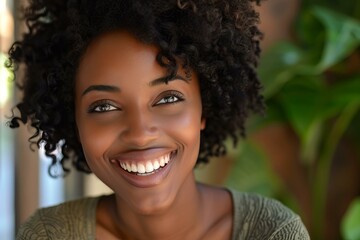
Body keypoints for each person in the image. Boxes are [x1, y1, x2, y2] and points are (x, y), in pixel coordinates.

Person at [8, 0, 310, 239]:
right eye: (103, 107)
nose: (140, 134)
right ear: (74, 118)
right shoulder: (50, 235)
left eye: (168, 99)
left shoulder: (271, 233)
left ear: (203, 108)